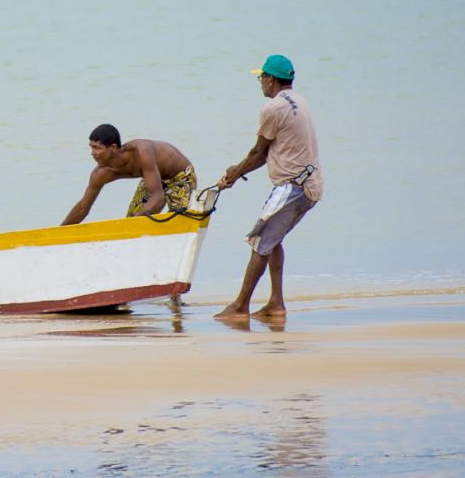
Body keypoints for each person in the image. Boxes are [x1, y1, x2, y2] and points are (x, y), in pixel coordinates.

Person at [215, 55, 324, 320]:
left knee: (261, 241)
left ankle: (240, 306)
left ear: (271, 79)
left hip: (293, 186)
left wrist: (233, 174)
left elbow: (258, 152)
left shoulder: (272, 109)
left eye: (261, 77)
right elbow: (264, 155)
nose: (260, 82)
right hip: (309, 182)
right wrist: (237, 171)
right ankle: (276, 303)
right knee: (273, 240)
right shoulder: (300, 101)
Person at [61, 123, 196, 226]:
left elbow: (158, 197)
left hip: (180, 176)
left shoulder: (141, 151)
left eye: (97, 148)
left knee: (177, 220)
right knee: (133, 219)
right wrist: (59, 232)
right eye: (91, 147)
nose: (92, 153)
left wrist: (133, 224)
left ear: (113, 148)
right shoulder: (100, 173)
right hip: (152, 178)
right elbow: (82, 208)